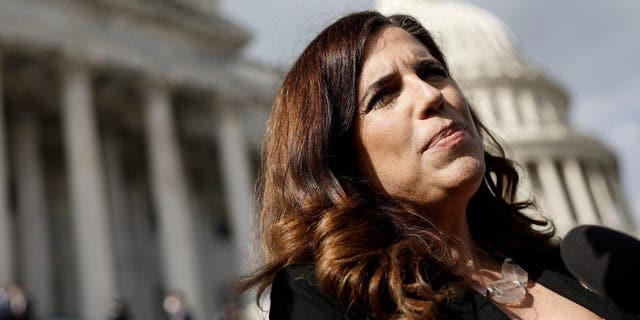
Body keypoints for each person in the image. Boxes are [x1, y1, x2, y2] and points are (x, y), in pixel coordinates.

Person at [239, 11, 636, 320]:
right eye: (383, 95)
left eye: (433, 71)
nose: (430, 94)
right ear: (339, 158)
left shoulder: (564, 265)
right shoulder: (325, 299)